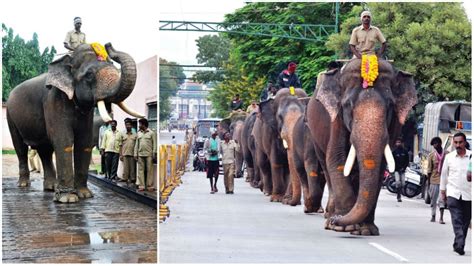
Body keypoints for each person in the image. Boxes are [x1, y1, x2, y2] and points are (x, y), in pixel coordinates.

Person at [440, 132, 471, 256]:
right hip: (453, 193)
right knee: (456, 218)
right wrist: (443, 191)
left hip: (469, 194)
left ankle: (458, 243)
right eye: (456, 142)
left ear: (465, 143)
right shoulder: (449, 157)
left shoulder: (472, 156)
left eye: (460, 142)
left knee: (466, 220)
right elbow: (443, 175)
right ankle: (460, 242)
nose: (458, 145)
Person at [427, 137, 446, 223]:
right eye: (433, 144)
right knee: (433, 199)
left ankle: (441, 218)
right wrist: (428, 184)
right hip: (434, 180)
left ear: (440, 143)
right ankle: (433, 215)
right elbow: (429, 170)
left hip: (444, 180)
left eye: (436, 143)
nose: (435, 145)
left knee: (441, 199)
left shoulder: (447, 155)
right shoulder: (431, 155)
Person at [134, 118, 157, 192]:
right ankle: (142, 186)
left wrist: (154, 153)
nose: (139, 125)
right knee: (140, 170)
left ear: (143, 124)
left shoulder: (151, 133)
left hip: (149, 154)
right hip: (140, 154)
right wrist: (135, 154)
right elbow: (136, 144)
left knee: (149, 170)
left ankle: (150, 185)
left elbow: (154, 144)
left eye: (140, 124)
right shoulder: (139, 133)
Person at [120, 118, 137, 185]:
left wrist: (136, 154)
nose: (128, 126)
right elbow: (120, 145)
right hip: (125, 153)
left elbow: (136, 145)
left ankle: (132, 179)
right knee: (126, 168)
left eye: (129, 125)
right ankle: (125, 179)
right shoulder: (122, 134)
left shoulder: (135, 134)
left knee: (132, 168)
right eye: (126, 125)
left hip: (132, 154)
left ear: (131, 126)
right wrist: (120, 154)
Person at [204, 128, 220, 194]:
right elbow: (205, 149)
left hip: (216, 158)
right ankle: (211, 187)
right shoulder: (207, 140)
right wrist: (210, 152)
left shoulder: (218, 140)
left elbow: (219, 148)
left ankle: (215, 184)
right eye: (213, 134)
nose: (214, 135)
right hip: (210, 159)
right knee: (210, 174)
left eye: (215, 134)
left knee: (216, 173)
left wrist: (217, 152)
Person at [392, 137, 409, 202]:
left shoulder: (405, 151)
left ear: (401, 143)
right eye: (397, 142)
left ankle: (399, 193)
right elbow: (392, 161)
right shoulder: (394, 152)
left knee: (403, 183)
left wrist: (404, 168)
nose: (398, 143)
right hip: (397, 170)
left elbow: (407, 161)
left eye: (399, 142)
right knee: (398, 182)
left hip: (403, 170)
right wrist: (396, 168)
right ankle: (398, 196)